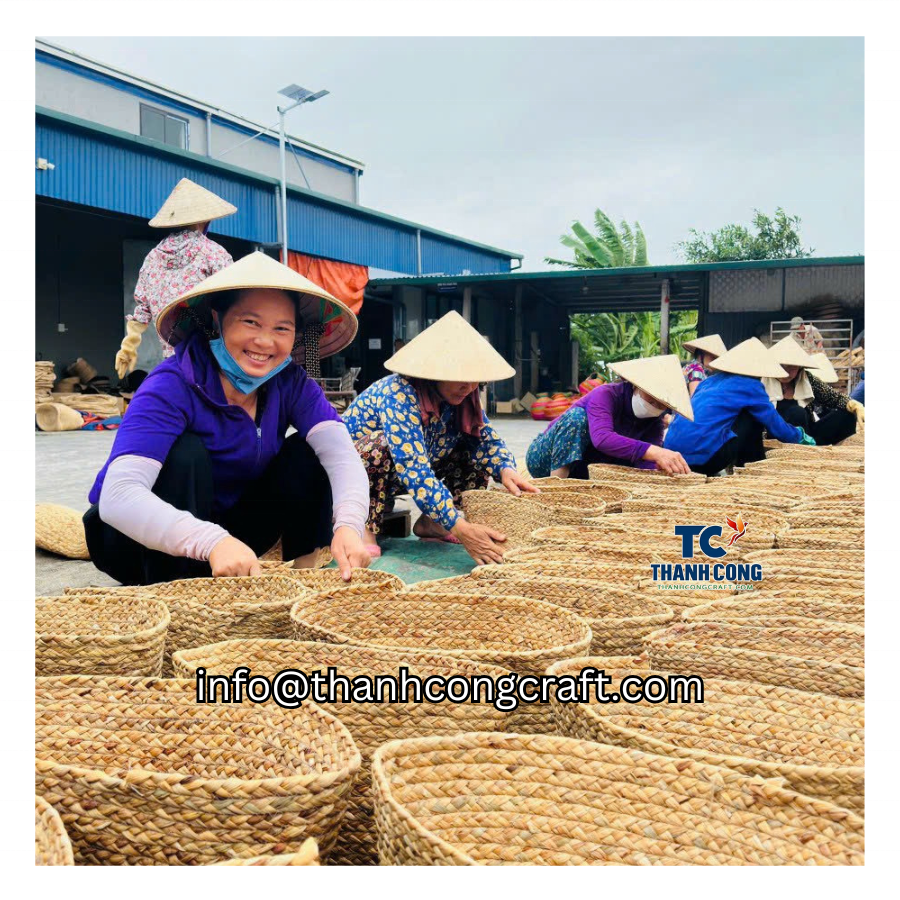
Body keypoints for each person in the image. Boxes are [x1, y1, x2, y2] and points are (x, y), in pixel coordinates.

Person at [85, 252, 371, 584]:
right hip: (133, 543)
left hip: (230, 533)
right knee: (185, 453)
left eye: (282, 328)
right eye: (251, 322)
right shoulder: (170, 385)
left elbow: (342, 456)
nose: (265, 341)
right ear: (217, 319)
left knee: (310, 452)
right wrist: (210, 541)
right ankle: (173, 588)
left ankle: (305, 576)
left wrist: (349, 525)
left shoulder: (291, 384)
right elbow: (119, 496)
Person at [343, 311, 536, 565]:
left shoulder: (463, 399)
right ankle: (364, 525)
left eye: (475, 381)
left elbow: (486, 440)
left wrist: (506, 469)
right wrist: (459, 526)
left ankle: (432, 523)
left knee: (474, 449)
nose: (469, 388)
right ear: (434, 374)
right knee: (377, 446)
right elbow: (413, 468)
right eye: (462, 380)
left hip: (399, 477)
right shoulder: (398, 394)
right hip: (353, 483)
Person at [115, 179, 236, 378]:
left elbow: (142, 310)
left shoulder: (152, 258)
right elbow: (233, 300)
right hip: (213, 361)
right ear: (204, 220)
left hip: (174, 362)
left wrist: (129, 345)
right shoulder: (213, 253)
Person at [525, 355, 694, 479]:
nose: (654, 406)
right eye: (651, 399)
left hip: (585, 470)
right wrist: (653, 451)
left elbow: (645, 464)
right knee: (577, 418)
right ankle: (555, 489)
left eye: (661, 404)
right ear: (637, 386)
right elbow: (602, 438)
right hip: (545, 461)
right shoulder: (606, 394)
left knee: (634, 456)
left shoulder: (654, 422)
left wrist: (657, 466)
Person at [665, 337, 813, 476]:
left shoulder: (708, 382)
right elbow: (776, 425)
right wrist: (799, 436)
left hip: (673, 457)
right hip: (702, 461)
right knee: (751, 416)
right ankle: (753, 471)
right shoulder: (751, 386)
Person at [763, 336, 863, 444]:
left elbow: (834, 398)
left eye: (792, 367)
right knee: (797, 413)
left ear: (800, 367)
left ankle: (813, 447)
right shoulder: (762, 382)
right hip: (777, 436)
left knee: (847, 414)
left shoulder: (807, 379)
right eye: (782, 366)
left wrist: (853, 404)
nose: (786, 372)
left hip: (808, 436)